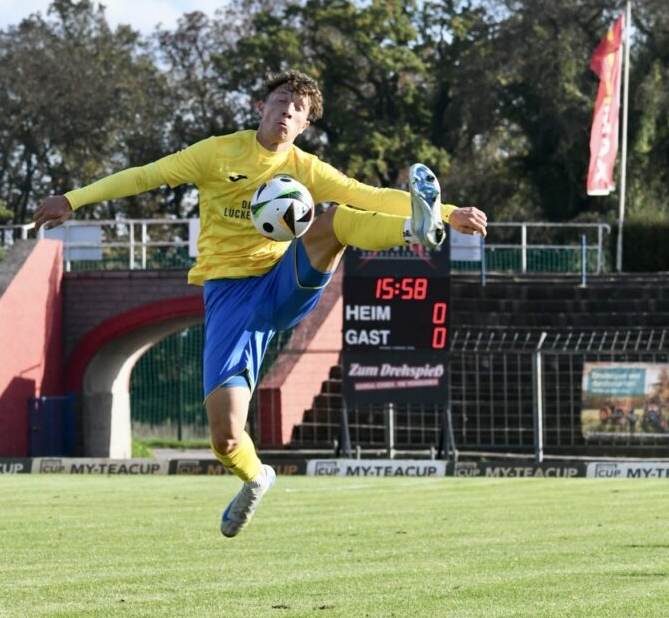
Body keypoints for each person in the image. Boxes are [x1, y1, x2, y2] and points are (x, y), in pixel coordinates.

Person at [33, 70, 488, 538]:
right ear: (260, 108)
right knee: (226, 436)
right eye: (281, 101)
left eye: (299, 110)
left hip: (280, 282)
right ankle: (256, 479)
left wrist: (450, 213)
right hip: (230, 300)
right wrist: (73, 198)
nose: (287, 111)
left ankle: (416, 229)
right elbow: (146, 176)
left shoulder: (306, 168)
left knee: (334, 221)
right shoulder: (216, 153)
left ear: (304, 126)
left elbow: (367, 194)